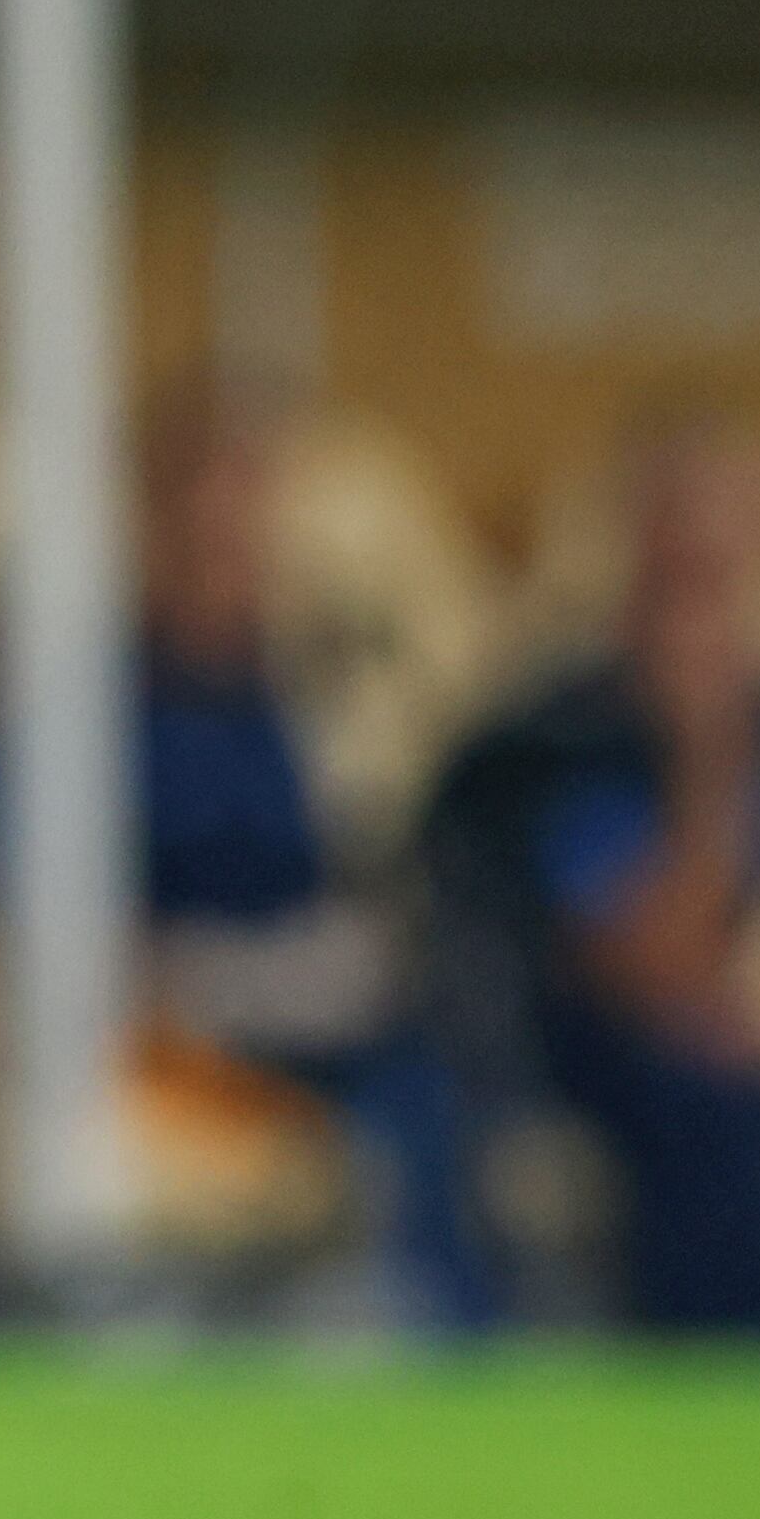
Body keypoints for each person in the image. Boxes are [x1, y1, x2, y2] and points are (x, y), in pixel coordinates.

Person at [429, 425, 760, 1333]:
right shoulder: (565, 744)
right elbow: (653, 958)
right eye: (688, 575)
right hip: (615, 1053)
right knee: (707, 1114)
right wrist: (709, 760)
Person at [123, 389, 494, 1331]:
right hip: (165, 1024)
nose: (233, 546)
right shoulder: (97, 695)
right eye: (206, 517)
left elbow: (373, 861)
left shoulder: (317, 691)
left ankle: (449, 1343)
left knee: (434, 1082)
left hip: (315, 1008)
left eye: (250, 516)